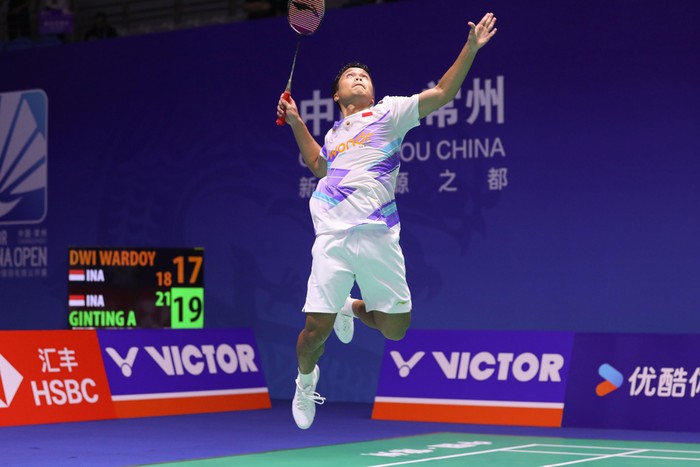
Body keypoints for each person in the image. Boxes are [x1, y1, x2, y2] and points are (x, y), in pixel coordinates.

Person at [277, 12, 497, 430]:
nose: (359, 78)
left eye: (364, 76)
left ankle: (349, 305)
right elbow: (319, 166)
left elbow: (442, 93)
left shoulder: (389, 114)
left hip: (378, 234)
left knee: (395, 329)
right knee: (314, 333)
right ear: (338, 96)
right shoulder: (335, 134)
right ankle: (305, 381)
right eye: (351, 77)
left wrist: (470, 49)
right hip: (332, 236)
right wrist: (296, 121)